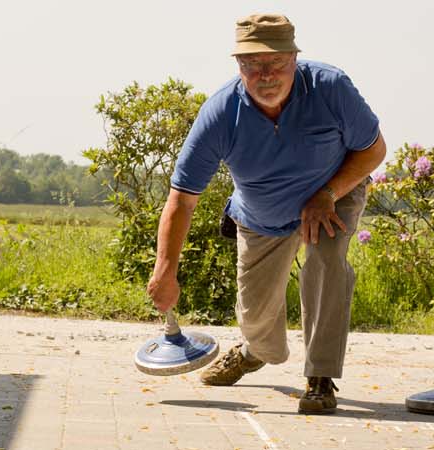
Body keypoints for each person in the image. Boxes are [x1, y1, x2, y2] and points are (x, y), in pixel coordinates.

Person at [147, 13, 387, 415]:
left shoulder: (331, 87)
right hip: (261, 213)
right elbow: (182, 199)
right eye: (252, 64)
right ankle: (254, 350)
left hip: (332, 192)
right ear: (238, 65)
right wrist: (165, 271)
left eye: (276, 62)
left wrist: (327, 193)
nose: (266, 74)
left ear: (294, 58)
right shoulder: (220, 113)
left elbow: (374, 150)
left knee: (327, 261)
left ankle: (320, 377)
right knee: (257, 320)